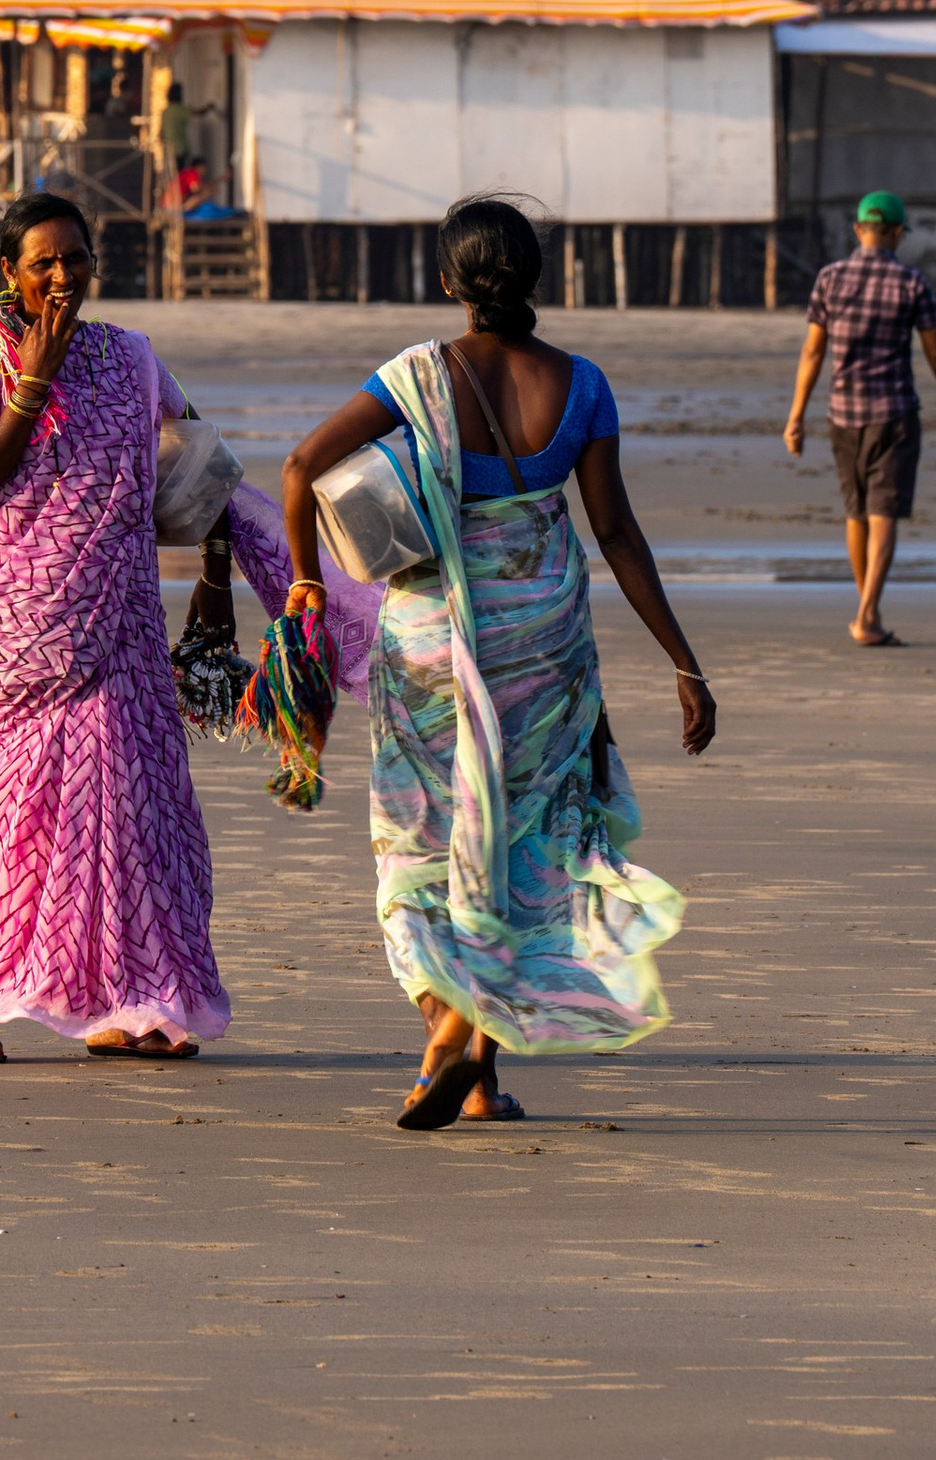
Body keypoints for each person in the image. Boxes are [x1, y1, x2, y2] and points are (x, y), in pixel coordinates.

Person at [275, 198, 714, 1133]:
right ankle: (478, 1073)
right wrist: (686, 664)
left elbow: (301, 463)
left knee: (425, 834)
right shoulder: (584, 384)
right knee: (517, 841)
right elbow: (618, 533)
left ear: (447, 283)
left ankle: (446, 1025)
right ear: (537, 279)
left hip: (433, 639)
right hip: (544, 640)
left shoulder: (419, 375)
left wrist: (306, 588)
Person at [0, 192, 231, 1067]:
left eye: (76, 258)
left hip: (124, 619)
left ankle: (133, 1002)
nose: (63, 275)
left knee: (135, 809)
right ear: (11, 275)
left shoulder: (130, 360)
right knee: (14, 809)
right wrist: (34, 379)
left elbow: (201, 460)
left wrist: (218, 583)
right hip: (26, 625)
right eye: (43, 263)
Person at [784, 190, 936, 648]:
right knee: (884, 511)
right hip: (895, 413)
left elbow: (813, 350)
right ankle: (868, 613)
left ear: (858, 230)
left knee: (856, 513)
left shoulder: (829, 278)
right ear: (894, 233)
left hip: (842, 414)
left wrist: (796, 416)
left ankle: (867, 607)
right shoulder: (910, 282)